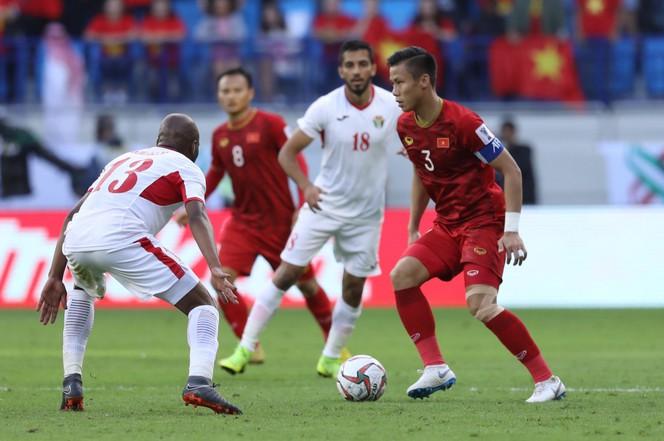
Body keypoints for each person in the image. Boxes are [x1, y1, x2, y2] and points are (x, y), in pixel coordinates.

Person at [387, 46, 565, 403]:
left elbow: (511, 171)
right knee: (401, 276)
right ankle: (435, 367)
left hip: (484, 221)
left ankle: (547, 380)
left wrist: (511, 229)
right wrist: (412, 225)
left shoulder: (465, 123)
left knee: (481, 304)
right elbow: (423, 172)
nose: (393, 92)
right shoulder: (405, 125)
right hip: (448, 224)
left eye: (399, 82)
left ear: (424, 82)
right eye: (391, 83)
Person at [36, 113, 242, 415]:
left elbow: (71, 215)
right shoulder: (187, 166)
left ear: (159, 139)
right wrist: (214, 266)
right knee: (203, 304)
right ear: (194, 146)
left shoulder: (121, 160)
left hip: (78, 239)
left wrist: (55, 277)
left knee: (82, 288)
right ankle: (199, 382)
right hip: (122, 237)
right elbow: (196, 214)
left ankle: (72, 383)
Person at [225, 40, 402, 377]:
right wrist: (306, 187)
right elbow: (287, 154)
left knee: (352, 287)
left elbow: (414, 132)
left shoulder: (391, 105)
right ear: (340, 71)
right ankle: (244, 348)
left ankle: (331, 356)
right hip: (324, 205)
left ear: (372, 67)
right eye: (349, 65)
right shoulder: (325, 107)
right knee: (287, 273)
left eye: (362, 64)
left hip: (366, 215)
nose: (356, 71)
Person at [174, 67, 338, 373]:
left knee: (309, 286)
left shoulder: (271, 124)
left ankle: (334, 344)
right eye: (225, 91)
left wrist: (301, 204)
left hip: (280, 224)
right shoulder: (221, 135)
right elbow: (215, 173)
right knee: (221, 280)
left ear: (250, 93)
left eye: (237, 90)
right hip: (243, 223)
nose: (231, 96)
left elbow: (297, 159)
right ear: (219, 96)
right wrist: (193, 202)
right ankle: (249, 347)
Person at [496, 119, 538, 205]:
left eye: (508, 131)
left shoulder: (524, 150)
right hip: (508, 198)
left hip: (525, 197)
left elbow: (519, 167)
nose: (506, 134)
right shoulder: (502, 152)